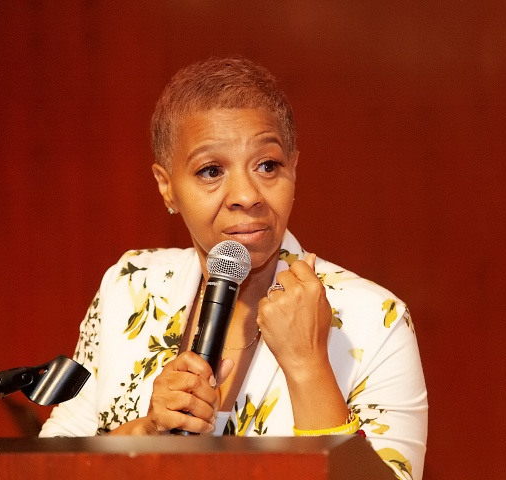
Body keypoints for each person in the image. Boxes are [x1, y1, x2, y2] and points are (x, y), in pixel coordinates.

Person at [40, 57, 428, 479]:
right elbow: (49, 467)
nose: (246, 195)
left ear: (294, 169)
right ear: (166, 186)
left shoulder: (374, 320)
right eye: (211, 171)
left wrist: (308, 368)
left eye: (268, 166)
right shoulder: (131, 286)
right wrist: (147, 431)